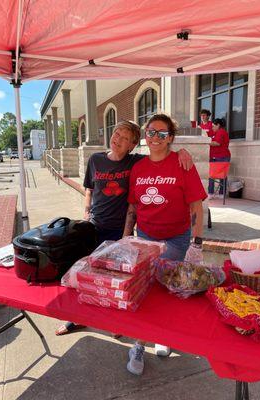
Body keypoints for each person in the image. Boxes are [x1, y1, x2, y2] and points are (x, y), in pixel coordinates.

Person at [55, 120, 193, 335]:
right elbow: (89, 190)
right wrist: (86, 212)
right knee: (86, 275)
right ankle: (76, 318)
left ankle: (116, 322)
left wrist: (182, 151)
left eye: (125, 138)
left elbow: (160, 150)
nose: (117, 139)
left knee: (117, 282)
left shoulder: (135, 163)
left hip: (121, 232)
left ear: (132, 145)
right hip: (94, 227)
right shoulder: (95, 159)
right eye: (116, 133)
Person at [123, 113, 207, 375]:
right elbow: (133, 206)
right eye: (151, 132)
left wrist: (197, 242)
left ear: (170, 138)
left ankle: (164, 336)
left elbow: (196, 206)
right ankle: (138, 343)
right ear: (145, 136)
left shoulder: (182, 163)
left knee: (169, 289)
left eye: (162, 134)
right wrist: (127, 237)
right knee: (144, 290)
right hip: (146, 237)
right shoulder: (138, 168)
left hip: (176, 239)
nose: (155, 138)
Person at [208, 118, 231, 199]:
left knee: (218, 175)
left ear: (218, 125)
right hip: (216, 156)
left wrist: (205, 142)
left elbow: (217, 143)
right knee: (216, 175)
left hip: (222, 156)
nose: (212, 128)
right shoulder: (216, 132)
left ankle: (214, 193)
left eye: (213, 126)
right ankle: (219, 193)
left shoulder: (221, 132)